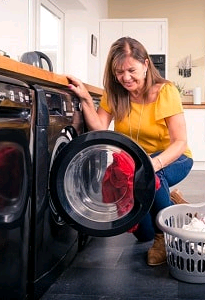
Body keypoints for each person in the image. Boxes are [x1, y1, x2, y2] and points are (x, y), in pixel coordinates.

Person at [66, 37, 193, 266]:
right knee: (142, 233)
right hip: (138, 166)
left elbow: (180, 142)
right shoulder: (116, 93)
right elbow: (99, 127)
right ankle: (172, 206)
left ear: (146, 64)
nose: (126, 77)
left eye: (131, 70)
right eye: (119, 72)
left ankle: (165, 235)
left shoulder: (165, 91)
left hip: (173, 158)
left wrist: (152, 165)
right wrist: (85, 98)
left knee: (152, 176)